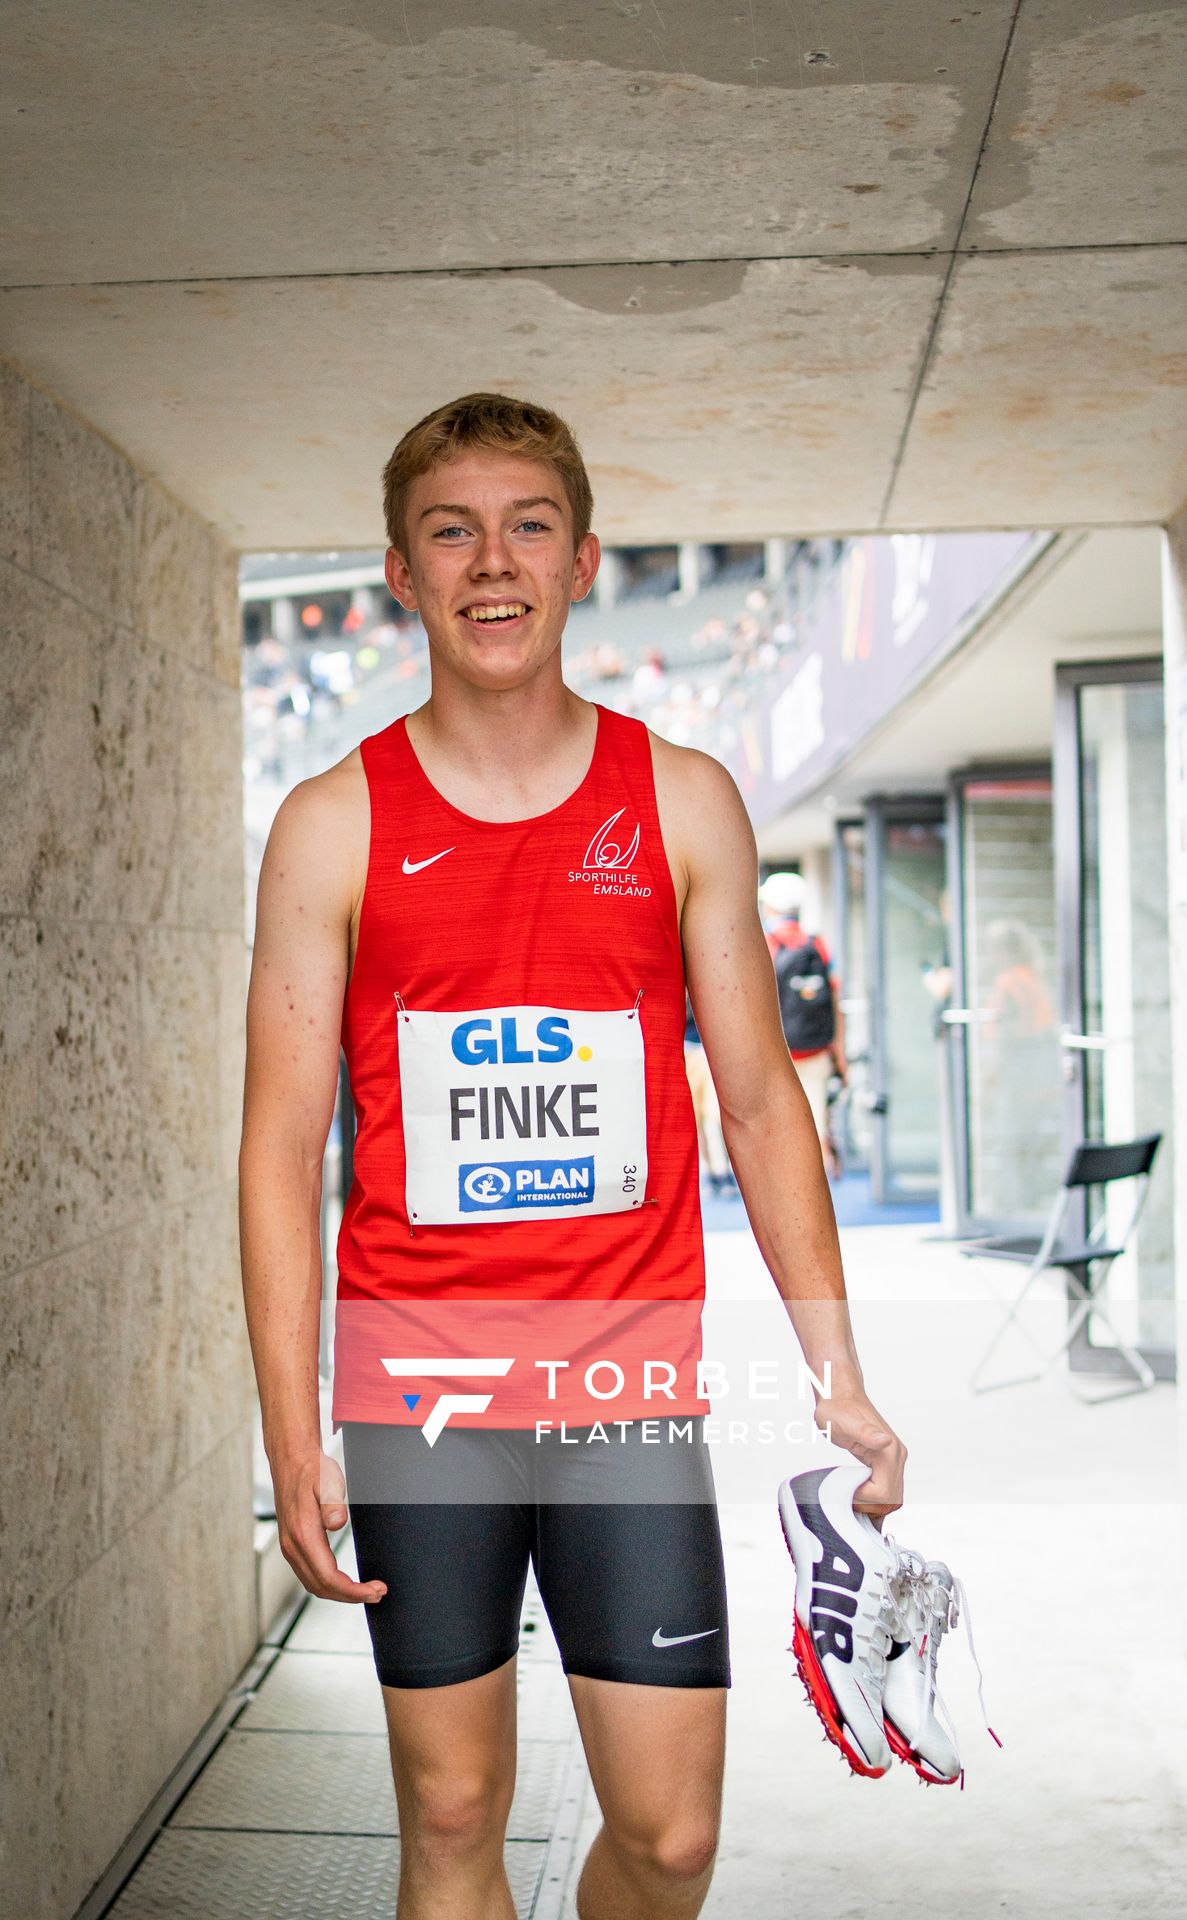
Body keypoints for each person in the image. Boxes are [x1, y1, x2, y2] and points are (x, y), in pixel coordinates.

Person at [238, 391, 906, 1920]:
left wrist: (837, 1369)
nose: (493, 561)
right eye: (451, 530)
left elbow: (758, 1100)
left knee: (670, 1840)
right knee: (455, 1812)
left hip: (624, 1385)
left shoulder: (681, 802)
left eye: (527, 525)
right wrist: (290, 1436)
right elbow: (279, 1153)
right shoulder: (331, 826)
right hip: (426, 1391)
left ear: (584, 557)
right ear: (399, 572)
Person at [759, 871, 849, 1181]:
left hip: (777, 1055)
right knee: (817, 1121)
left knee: (779, 1125)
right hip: (816, 1049)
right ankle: (820, 1178)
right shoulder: (819, 946)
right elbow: (835, 1003)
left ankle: (788, 1181)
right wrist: (840, 1053)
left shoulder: (763, 945)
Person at [683, 989, 734, 1196]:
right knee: (697, 1117)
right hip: (690, 1048)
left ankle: (720, 1170)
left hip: (702, 1049)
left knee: (711, 1116)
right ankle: (710, 1171)